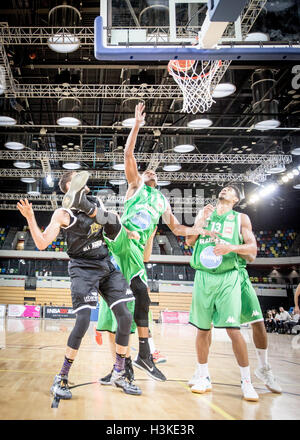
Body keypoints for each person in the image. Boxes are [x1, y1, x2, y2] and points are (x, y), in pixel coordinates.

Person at [62, 102, 207, 382]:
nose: (150, 171)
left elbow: (177, 228)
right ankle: (142, 355)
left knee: (133, 304)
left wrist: (198, 227)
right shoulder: (135, 186)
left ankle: (125, 366)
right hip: (119, 241)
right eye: (146, 170)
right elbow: (129, 153)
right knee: (140, 293)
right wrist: (138, 124)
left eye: (154, 171)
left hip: (134, 252)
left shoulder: (163, 200)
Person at [17, 184, 142, 399]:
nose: (83, 183)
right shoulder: (63, 214)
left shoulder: (96, 204)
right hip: (82, 268)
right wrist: (30, 217)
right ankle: (61, 377)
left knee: (125, 316)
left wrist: (126, 230)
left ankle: (120, 372)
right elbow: (41, 243)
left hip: (105, 264)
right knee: (83, 321)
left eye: (83, 180)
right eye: (76, 181)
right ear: (68, 188)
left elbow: (112, 222)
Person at [186, 186, 259, 401]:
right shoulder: (204, 213)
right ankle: (203, 376)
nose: (225, 189)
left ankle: (246, 381)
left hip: (228, 276)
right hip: (203, 276)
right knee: (202, 329)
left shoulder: (241, 219)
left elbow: (252, 252)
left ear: (236, 199)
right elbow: (189, 241)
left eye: (230, 190)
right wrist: (200, 223)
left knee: (233, 330)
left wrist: (232, 248)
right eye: (224, 188)